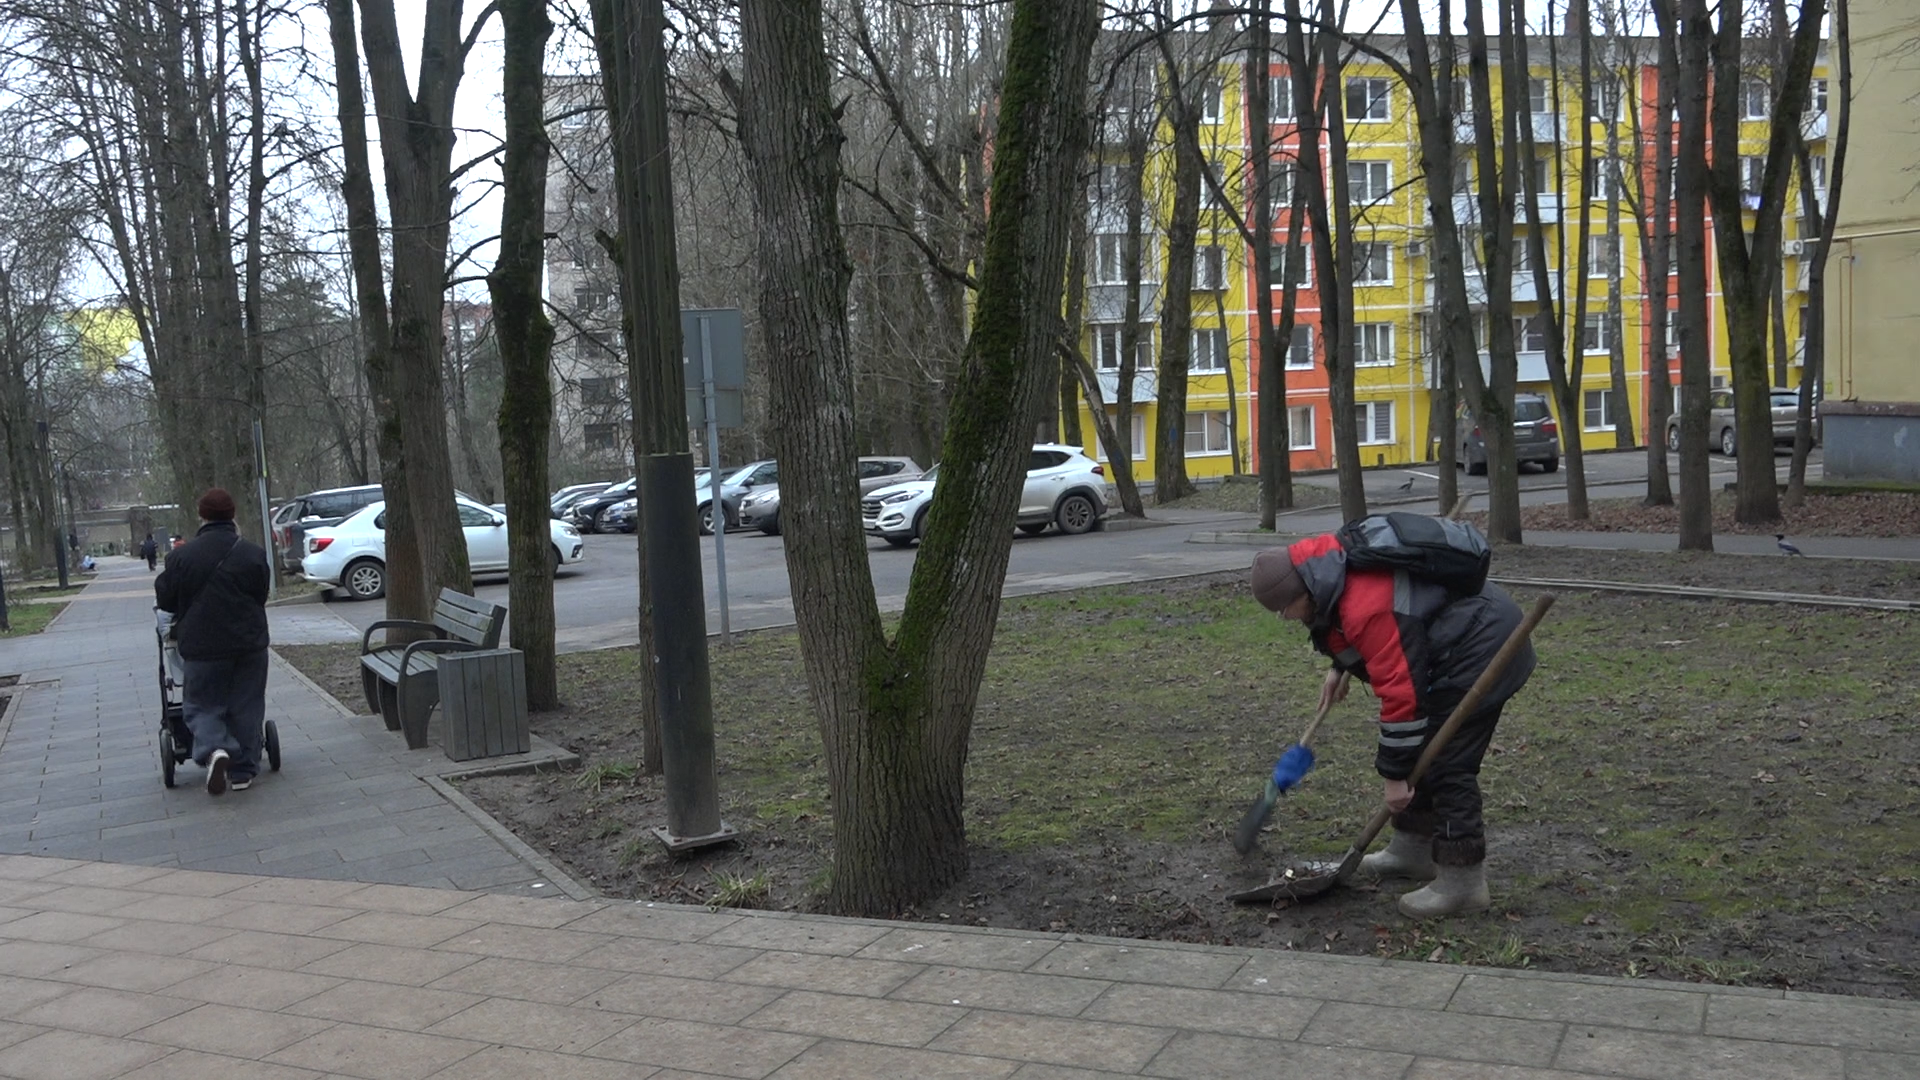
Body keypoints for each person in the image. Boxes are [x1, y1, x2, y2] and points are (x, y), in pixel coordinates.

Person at [1251, 533, 1536, 918]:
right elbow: (1360, 625)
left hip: (1483, 644)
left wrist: (1393, 778)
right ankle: (1413, 850)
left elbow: (1402, 694)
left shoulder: (1366, 606)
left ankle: (1463, 883)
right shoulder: (1328, 570)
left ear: (1302, 588)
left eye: (1285, 609)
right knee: (1419, 745)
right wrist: (1342, 665)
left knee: (1447, 760)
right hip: (1446, 642)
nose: (1286, 618)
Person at [155, 489, 271, 795]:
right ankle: (243, 771)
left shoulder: (181, 557)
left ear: (202, 516)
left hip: (202, 648)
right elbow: (261, 595)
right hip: (249, 644)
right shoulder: (252, 553)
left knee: (201, 705)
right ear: (232, 516)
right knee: (246, 705)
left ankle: (215, 749)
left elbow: (165, 600)